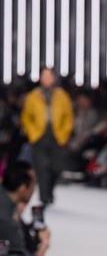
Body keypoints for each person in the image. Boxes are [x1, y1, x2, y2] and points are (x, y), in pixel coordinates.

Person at [20, 67, 74, 206]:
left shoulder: (62, 95)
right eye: (44, 75)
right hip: (38, 135)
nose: (46, 78)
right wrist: (32, 133)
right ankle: (44, 196)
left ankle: (48, 190)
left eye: (49, 75)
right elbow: (26, 117)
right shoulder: (33, 96)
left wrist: (64, 133)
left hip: (57, 134)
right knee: (41, 167)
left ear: (54, 78)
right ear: (40, 78)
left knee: (57, 167)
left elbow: (68, 116)